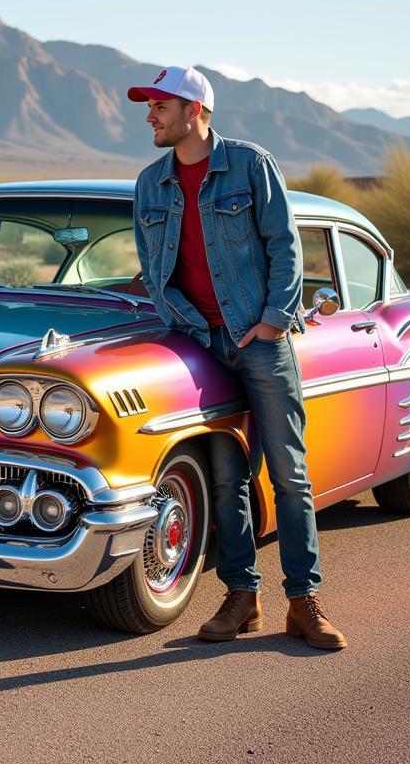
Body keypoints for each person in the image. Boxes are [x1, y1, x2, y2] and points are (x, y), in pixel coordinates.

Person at [129, 65, 346, 650]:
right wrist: (186, 327)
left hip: (261, 342)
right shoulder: (151, 183)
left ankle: (304, 602)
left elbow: (284, 244)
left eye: (160, 106)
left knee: (290, 475)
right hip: (202, 346)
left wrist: (275, 321)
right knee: (226, 479)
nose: (149, 115)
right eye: (148, 106)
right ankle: (240, 597)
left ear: (195, 111)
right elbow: (154, 269)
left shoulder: (250, 165)